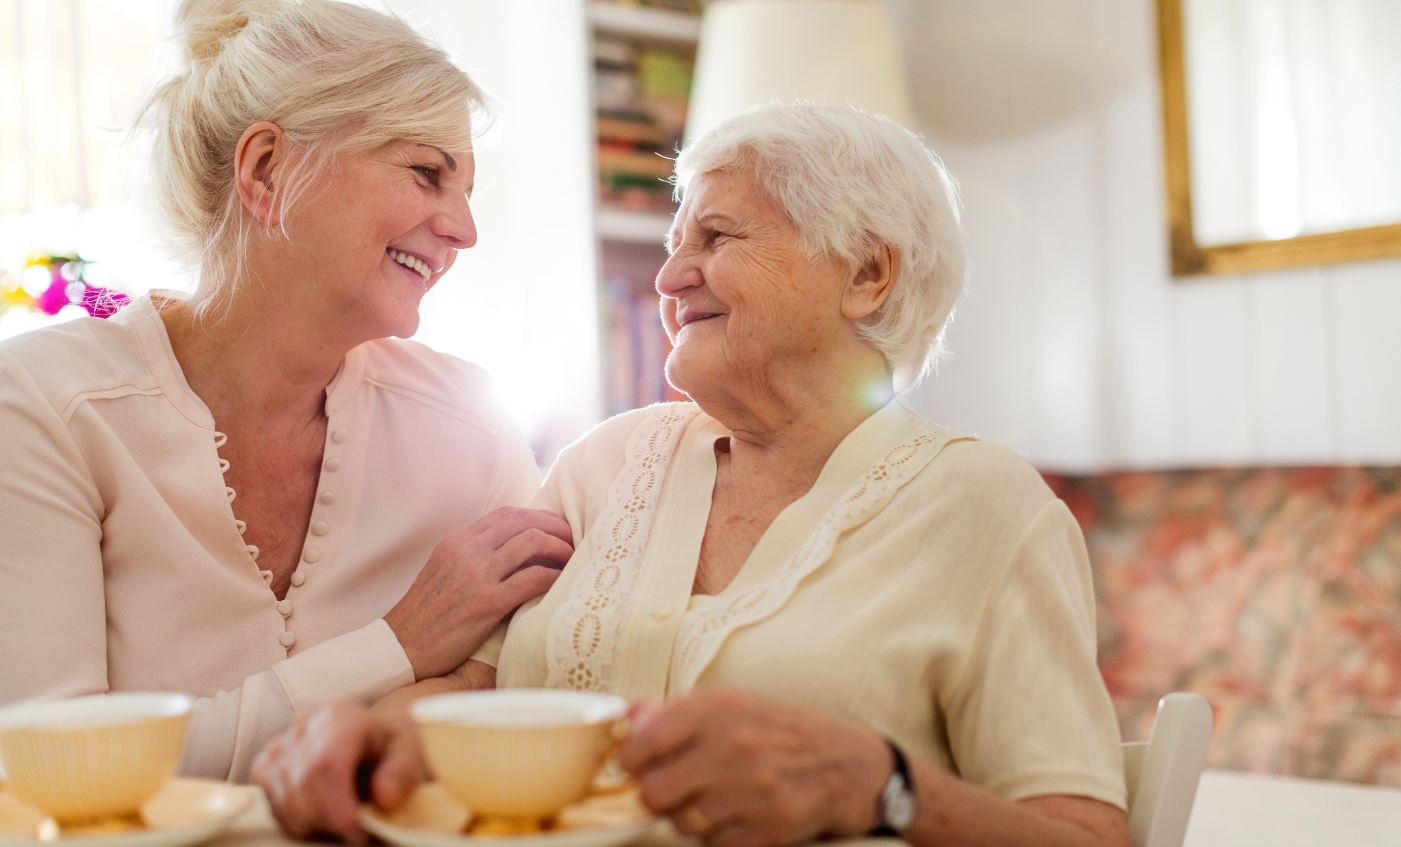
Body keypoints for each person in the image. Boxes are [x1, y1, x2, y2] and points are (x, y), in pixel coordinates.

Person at [254, 103, 1132, 847]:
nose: (669, 277)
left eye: (716, 235)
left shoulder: (986, 508)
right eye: (677, 241)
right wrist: (363, 738)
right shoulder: (603, 463)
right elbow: (469, 696)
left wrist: (884, 785)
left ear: (867, 274)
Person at [0, 0, 572, 781]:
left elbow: (535, 696)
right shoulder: (44, 405)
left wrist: (448, 690)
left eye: (465, 188)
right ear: (266, 170)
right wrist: (401, 648)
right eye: (426, 172)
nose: (464, 228)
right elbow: (60, 773)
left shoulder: (471, 425)